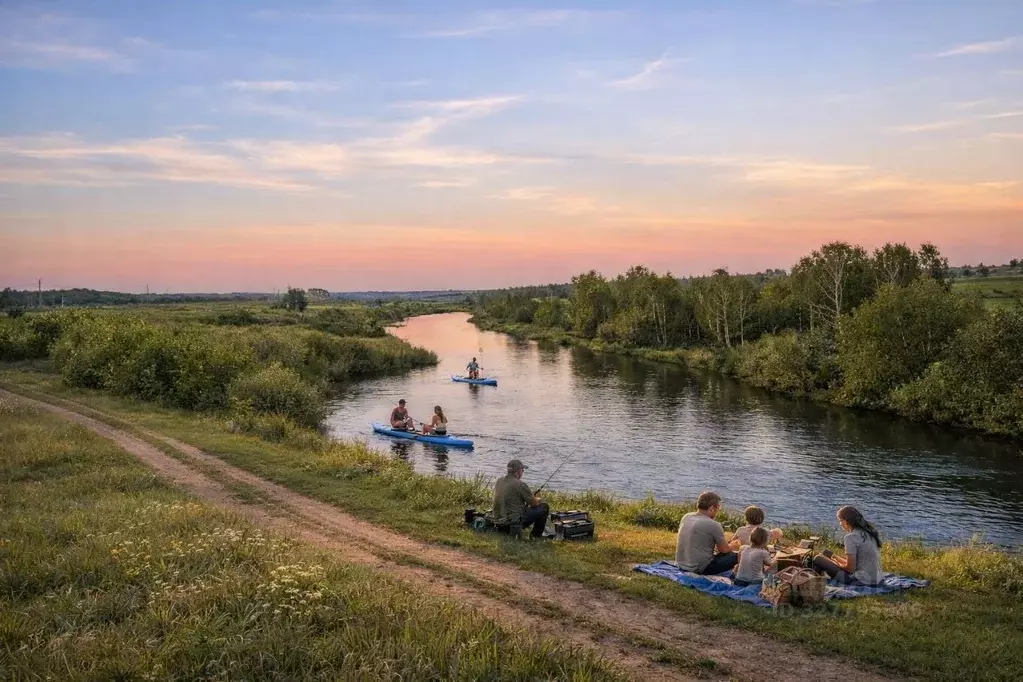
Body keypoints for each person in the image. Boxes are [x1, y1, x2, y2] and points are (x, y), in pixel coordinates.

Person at [812, 505, 884, 585]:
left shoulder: (850, 537)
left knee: (817, 558)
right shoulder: (868, 533)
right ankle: (817, 582)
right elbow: (855, 564)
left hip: (860, 581)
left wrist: (836, 563)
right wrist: (835, 558)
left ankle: (815, 584)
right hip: (878, 579)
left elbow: (850, 568)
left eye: (840, 520)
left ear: (846, 521)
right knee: (826, 553)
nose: (840, 524)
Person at [675, 491, 738, 575]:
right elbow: (724, 550)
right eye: (718, 508)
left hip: (681, 564)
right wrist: (734, 546)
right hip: (699, 568)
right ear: (711, 508)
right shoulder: (714, 524)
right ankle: (740, 577)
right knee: (740, 554)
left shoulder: (687, 516)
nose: (717, 512)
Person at [493, 459, 549, 539]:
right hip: (511, 524)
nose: (522, 472)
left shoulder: (499, 480)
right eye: (522, 470)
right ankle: (535, 536)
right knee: (544, 507)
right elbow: (533, 503)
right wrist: (539, 499)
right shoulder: (521, 484)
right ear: (518, 471)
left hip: (498, 522)